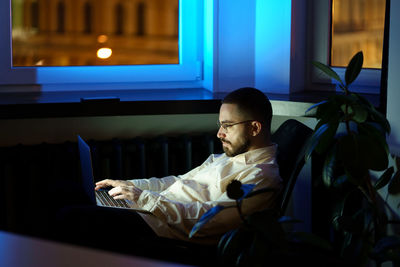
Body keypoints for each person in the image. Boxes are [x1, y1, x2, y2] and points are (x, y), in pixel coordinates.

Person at [92, 87, 283, 244]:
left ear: (255, 128)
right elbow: (179, 181)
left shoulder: (260, 177)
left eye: (227, 125)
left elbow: (210, 221)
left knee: (74, 217)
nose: (219, 133)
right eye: (220, 125)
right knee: (74, 194)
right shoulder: (229, 157)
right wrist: (132, 186)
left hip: (160, 231)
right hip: (149, 210)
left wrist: (145, 199)